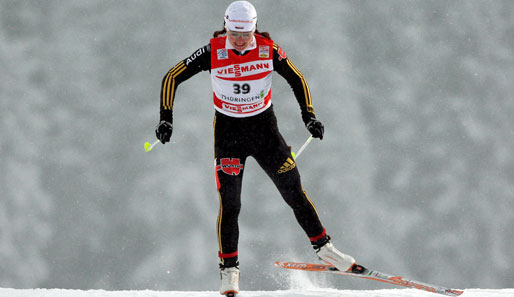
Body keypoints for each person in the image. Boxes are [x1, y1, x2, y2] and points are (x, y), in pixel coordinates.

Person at [155, 1, 358, 296]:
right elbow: (172, 77)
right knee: (231, 204)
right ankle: (229, 272)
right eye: (234, 33)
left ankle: (324, 248)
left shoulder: (267, 49)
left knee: (294, 192)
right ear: (226, 26)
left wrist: (309, 117)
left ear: (254, 28)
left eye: (245, 33)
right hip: (228, 134)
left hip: (265, 132)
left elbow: (297, 78)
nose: (239, 40)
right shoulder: (213, 51)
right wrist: (166, 120)